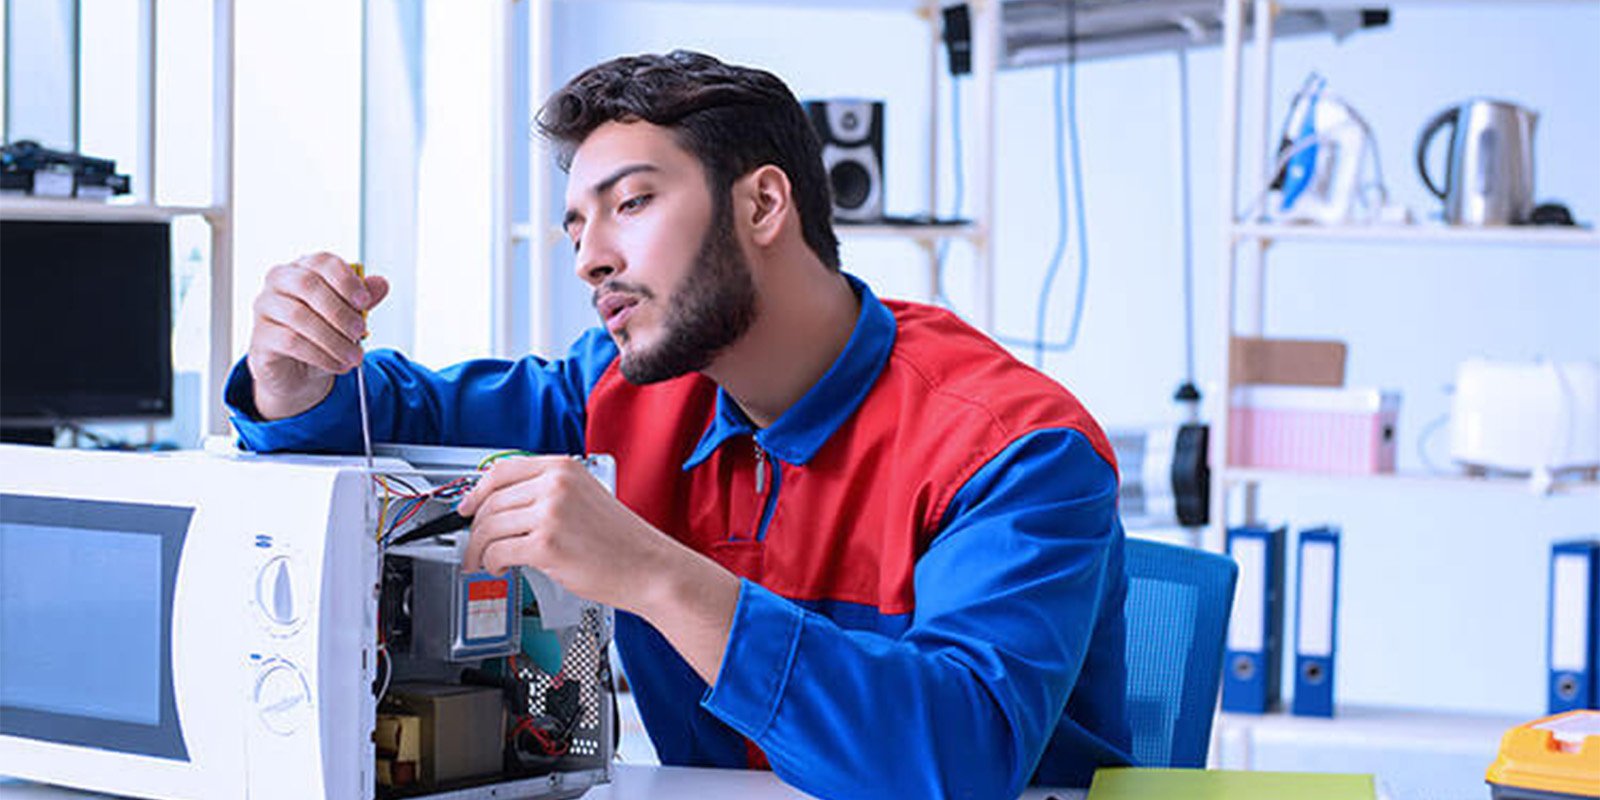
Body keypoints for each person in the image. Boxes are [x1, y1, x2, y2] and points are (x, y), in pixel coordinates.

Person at [228, 50, 1133, 798]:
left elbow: (956, 762)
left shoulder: (1014, 448)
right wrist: (293, 380)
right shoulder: (617, 391)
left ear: (764, 204)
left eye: (630, 203)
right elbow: (388, 421)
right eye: (576, 226)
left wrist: (650, 571)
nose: (590, 257)